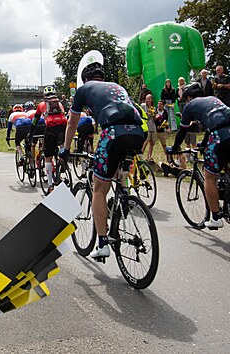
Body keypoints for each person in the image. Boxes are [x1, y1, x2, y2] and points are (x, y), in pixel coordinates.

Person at [63, 62, 145, 260]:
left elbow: (72, 122)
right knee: (117, 170)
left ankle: (102, 243)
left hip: (114, 133)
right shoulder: (118, 87)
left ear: (85, 80)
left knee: (99, 188)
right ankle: (123, 196)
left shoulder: (83, 90)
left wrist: (65, 149)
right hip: (137, 132)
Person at [167, 82, 230, 229]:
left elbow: (183, 131)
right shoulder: (213, 99)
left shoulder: (191, 105)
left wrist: (175, 148)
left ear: (189, 97)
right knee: (225, 159)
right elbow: (212, 126)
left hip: (220, 135)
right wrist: (203, 144)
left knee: (210, 177)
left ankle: (216, 217)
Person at [28, 85, 68, 193]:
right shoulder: (60, 104)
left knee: (48, 157)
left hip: (50, 129)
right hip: (63, 127)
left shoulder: (42, 104)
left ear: (44, 96)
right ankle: (63, 162)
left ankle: (50, 185)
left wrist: (31, 133)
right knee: (61, 145)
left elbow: (35, 121)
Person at [23, 101, 43, 167]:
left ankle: (32, 161)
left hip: (35, 126)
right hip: (44, 125)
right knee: (42, 142)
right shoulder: (36, 111)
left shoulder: (26, 114)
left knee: (33, 144)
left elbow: (28, 124)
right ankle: (41, 154)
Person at [142, 94, 157, 161]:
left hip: (153, 126)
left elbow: (155, 119)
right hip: (146, 125)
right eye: (147, 99)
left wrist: (154, 116)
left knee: (152, 142)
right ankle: (141, 155)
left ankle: (149, 156)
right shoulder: (142, 106)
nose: (148, 100)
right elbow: (140, 114)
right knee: (146, 141)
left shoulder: (153, 107)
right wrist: (147, 113)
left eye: (150, 99)